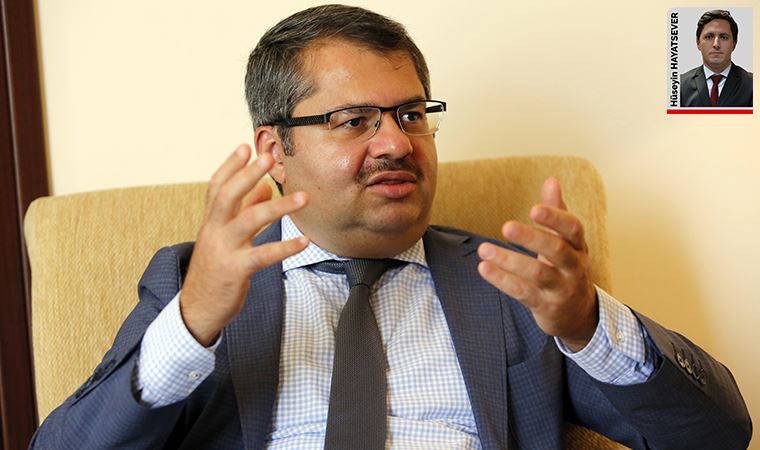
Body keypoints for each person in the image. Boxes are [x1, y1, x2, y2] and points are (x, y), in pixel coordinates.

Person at [32, 5, 751, 449]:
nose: (397, 143)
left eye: (411, 115)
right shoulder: (198, 283)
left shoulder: (515, 283)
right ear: (275, 149)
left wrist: (588, 322)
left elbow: (714, 437)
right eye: (354, 121)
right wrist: (192, 325)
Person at [680, 9, 753, 107]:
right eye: (709, 37)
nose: (716, 44)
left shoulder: (753, 84)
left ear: (734, 44)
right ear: (698, 43)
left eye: (724, 37)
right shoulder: (679, 86)